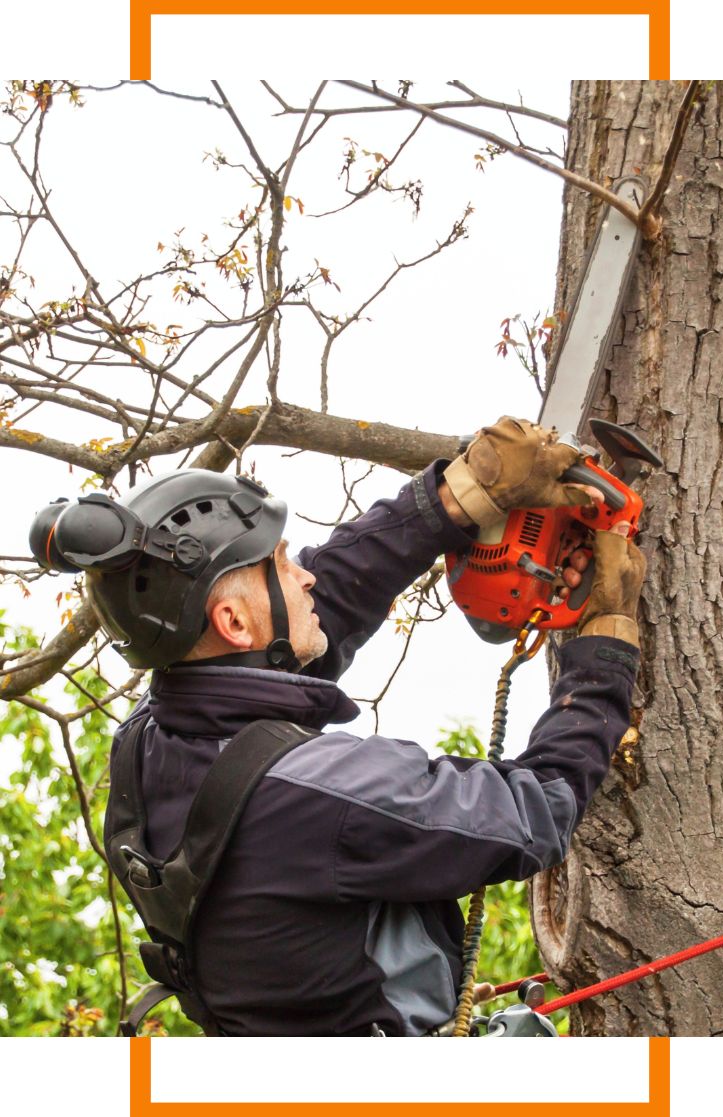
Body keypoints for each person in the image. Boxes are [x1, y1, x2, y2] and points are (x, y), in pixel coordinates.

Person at [30, 417, 645, 1036]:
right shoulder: (326, 792)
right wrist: (605, 644)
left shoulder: (147, 742)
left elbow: (330, 599)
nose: (307, 576)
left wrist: (453, 498)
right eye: (281, 563)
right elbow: (537, 810)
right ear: (235, 623)